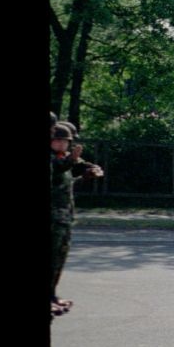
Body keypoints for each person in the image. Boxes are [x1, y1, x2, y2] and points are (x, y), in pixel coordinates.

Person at [50, 119, 104, 317]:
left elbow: (74, 175)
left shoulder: (63, 158)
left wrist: (89, 171)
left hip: (62, 217)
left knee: (58, 259)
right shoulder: (55, 160)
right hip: (53, 218)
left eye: (66, 142)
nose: (63, 145)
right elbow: (61, 167)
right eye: (59, 141)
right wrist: (71, 160)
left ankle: (52, 296)